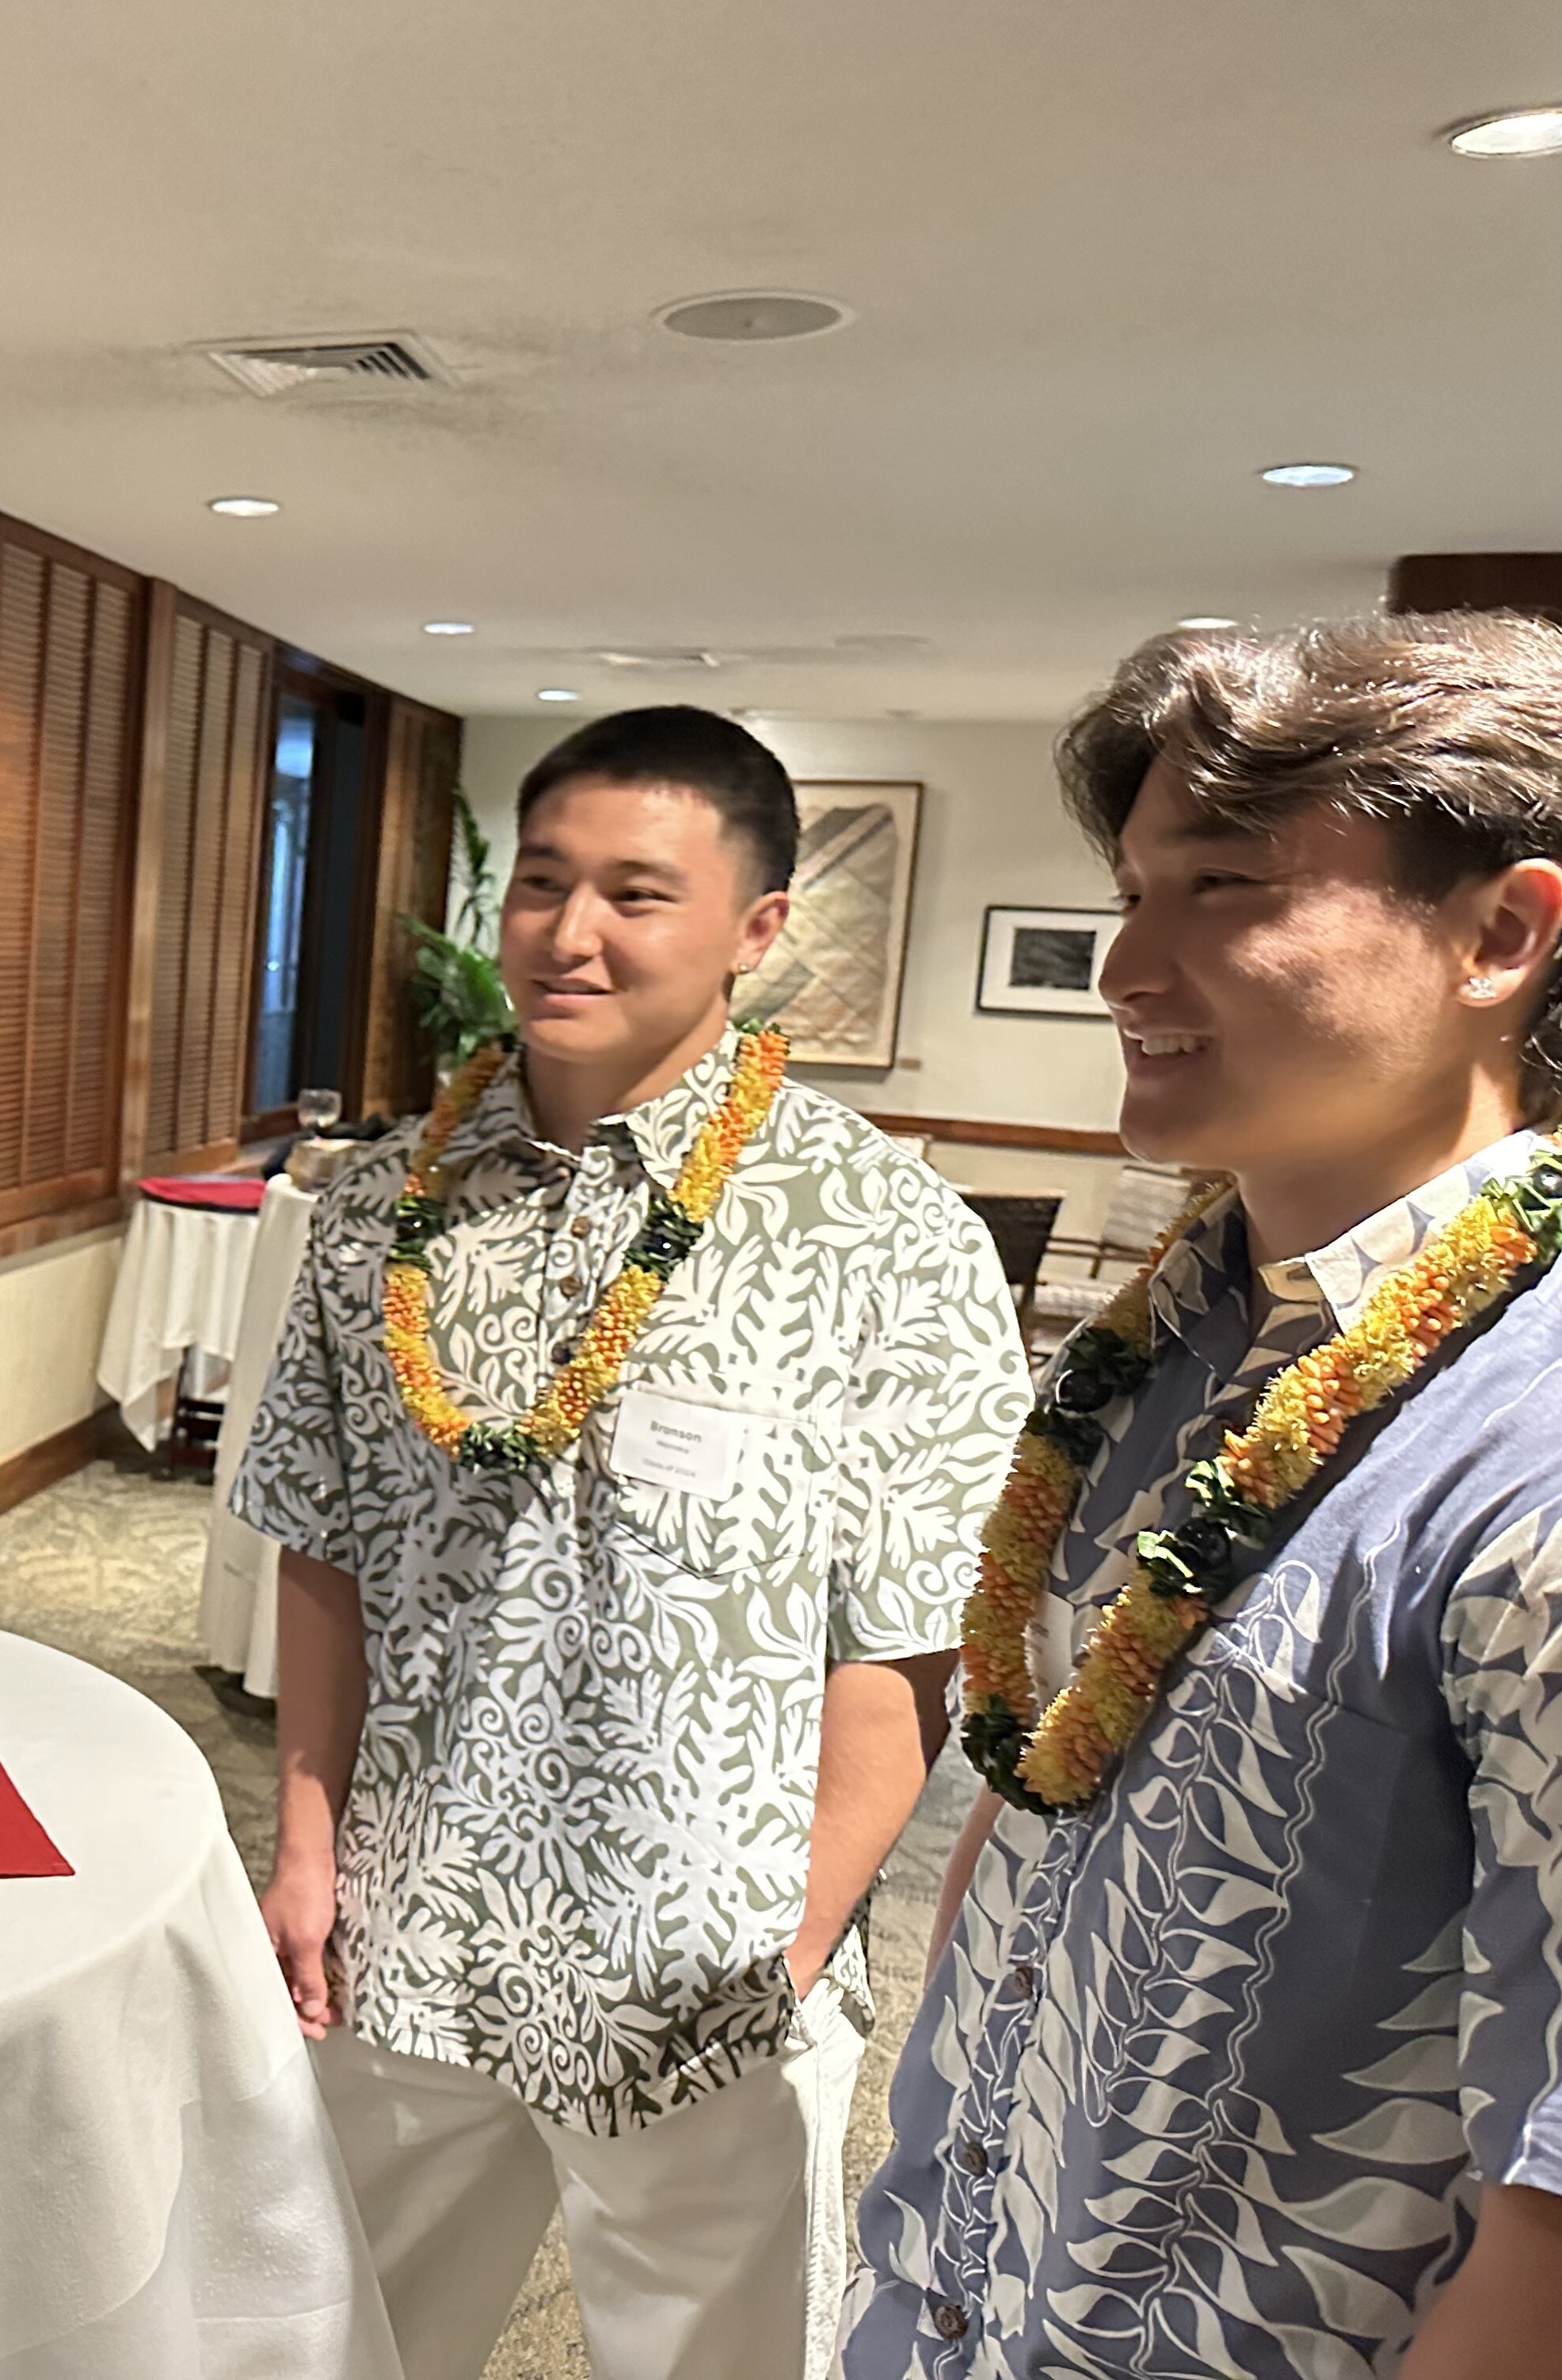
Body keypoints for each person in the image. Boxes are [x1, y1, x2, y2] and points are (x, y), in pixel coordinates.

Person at [231, 706, 1028, 2380]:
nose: (570, 933)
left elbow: (903, 1649)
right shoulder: (381, 1205)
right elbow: (325, 1550)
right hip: (408, 1929)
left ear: (755, 927)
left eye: (636, 893)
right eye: (541, 883)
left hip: (707, 1977)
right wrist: (308, 1850)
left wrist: (785, 1955)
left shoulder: (885, 1237)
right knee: (329, 2340)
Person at [843, 615, 1562, 2378]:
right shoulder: (1179, 1329)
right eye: (1136, 888)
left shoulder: (1536, 1438)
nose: (1126, 965)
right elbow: (1039, 1789)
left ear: (1506, 931)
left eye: (1228, 887)